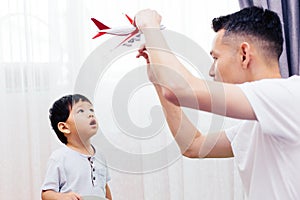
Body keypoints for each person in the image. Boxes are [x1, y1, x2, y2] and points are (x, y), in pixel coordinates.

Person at [135, 6, 300, 200]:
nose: (212, 71)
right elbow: (193, 145)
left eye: (216, 58)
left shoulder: (290, 94)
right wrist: (158, 81)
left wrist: (150, 26)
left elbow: (180, 89)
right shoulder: (257, 121)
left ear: (244, 54)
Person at [41, 94, 112, 200]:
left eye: (91, 110)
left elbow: (104, 188)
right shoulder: (59, 158)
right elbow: (46, 194)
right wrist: (62, 197)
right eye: (81, 111)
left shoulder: (100, 155)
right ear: (64, 127)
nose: (90, 115)